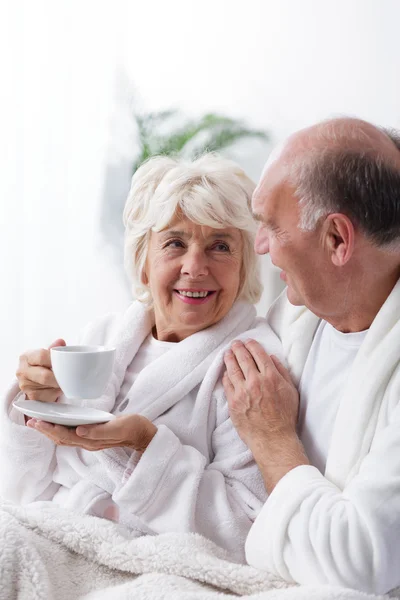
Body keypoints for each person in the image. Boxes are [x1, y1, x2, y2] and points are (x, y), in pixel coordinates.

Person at [0, 153, 284, 563]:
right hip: (54, 534)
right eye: (175, 243)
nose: (195, 267)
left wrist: (142, 446)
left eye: (220, 246)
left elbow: (247, 528)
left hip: (146, 564)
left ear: (244, 266)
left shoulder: (249, 365)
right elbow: (22, 487)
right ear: (144, 262)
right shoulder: (101, 338)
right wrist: (29, 408)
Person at [223, 117, 400, 593]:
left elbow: (359, 562)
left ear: (337, 240)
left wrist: (273, 441)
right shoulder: (297, 315)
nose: (258, 246)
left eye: (269, 226)